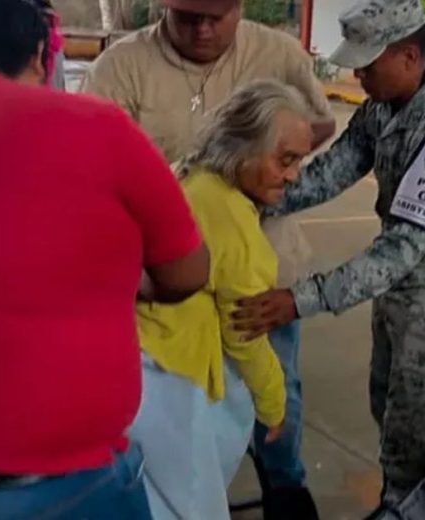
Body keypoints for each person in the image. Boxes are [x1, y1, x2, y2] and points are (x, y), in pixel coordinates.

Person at [0, 0, 209, 518]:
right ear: (40, 54)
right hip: (67, 489)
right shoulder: (100, 130)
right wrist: (130, 281)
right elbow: (189, 273)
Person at [232, 0, 425, 510]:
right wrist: (257, 193)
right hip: (398, 294)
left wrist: (301, 299)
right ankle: (400, 497)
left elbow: (400, 249)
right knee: (387, 409)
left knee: (412, 436)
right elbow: (335, 169)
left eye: (369, 63)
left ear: (410, 57)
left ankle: (407, 505)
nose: (357, 73)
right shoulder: (382, 107)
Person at [80, 1, 335, 515]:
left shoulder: (279, 55)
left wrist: (272, 167)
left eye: (216, 16)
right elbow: (90, 165)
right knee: (210, 446)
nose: (202, 28)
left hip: (239, 284)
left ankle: (284, 492)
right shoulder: (122, 65)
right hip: (177, 309)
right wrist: (272, 405)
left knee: (204, 440)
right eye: (188, 15)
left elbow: (317, 126)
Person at [131, 80, 315, 520]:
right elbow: (245, 329)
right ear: (243, 148)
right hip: (172, 379)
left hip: (141, 362)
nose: (293, 175)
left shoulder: (190, 173)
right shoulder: (228, 214)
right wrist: (274, 404)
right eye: (284, 161)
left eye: (299, 162)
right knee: (190, 503)